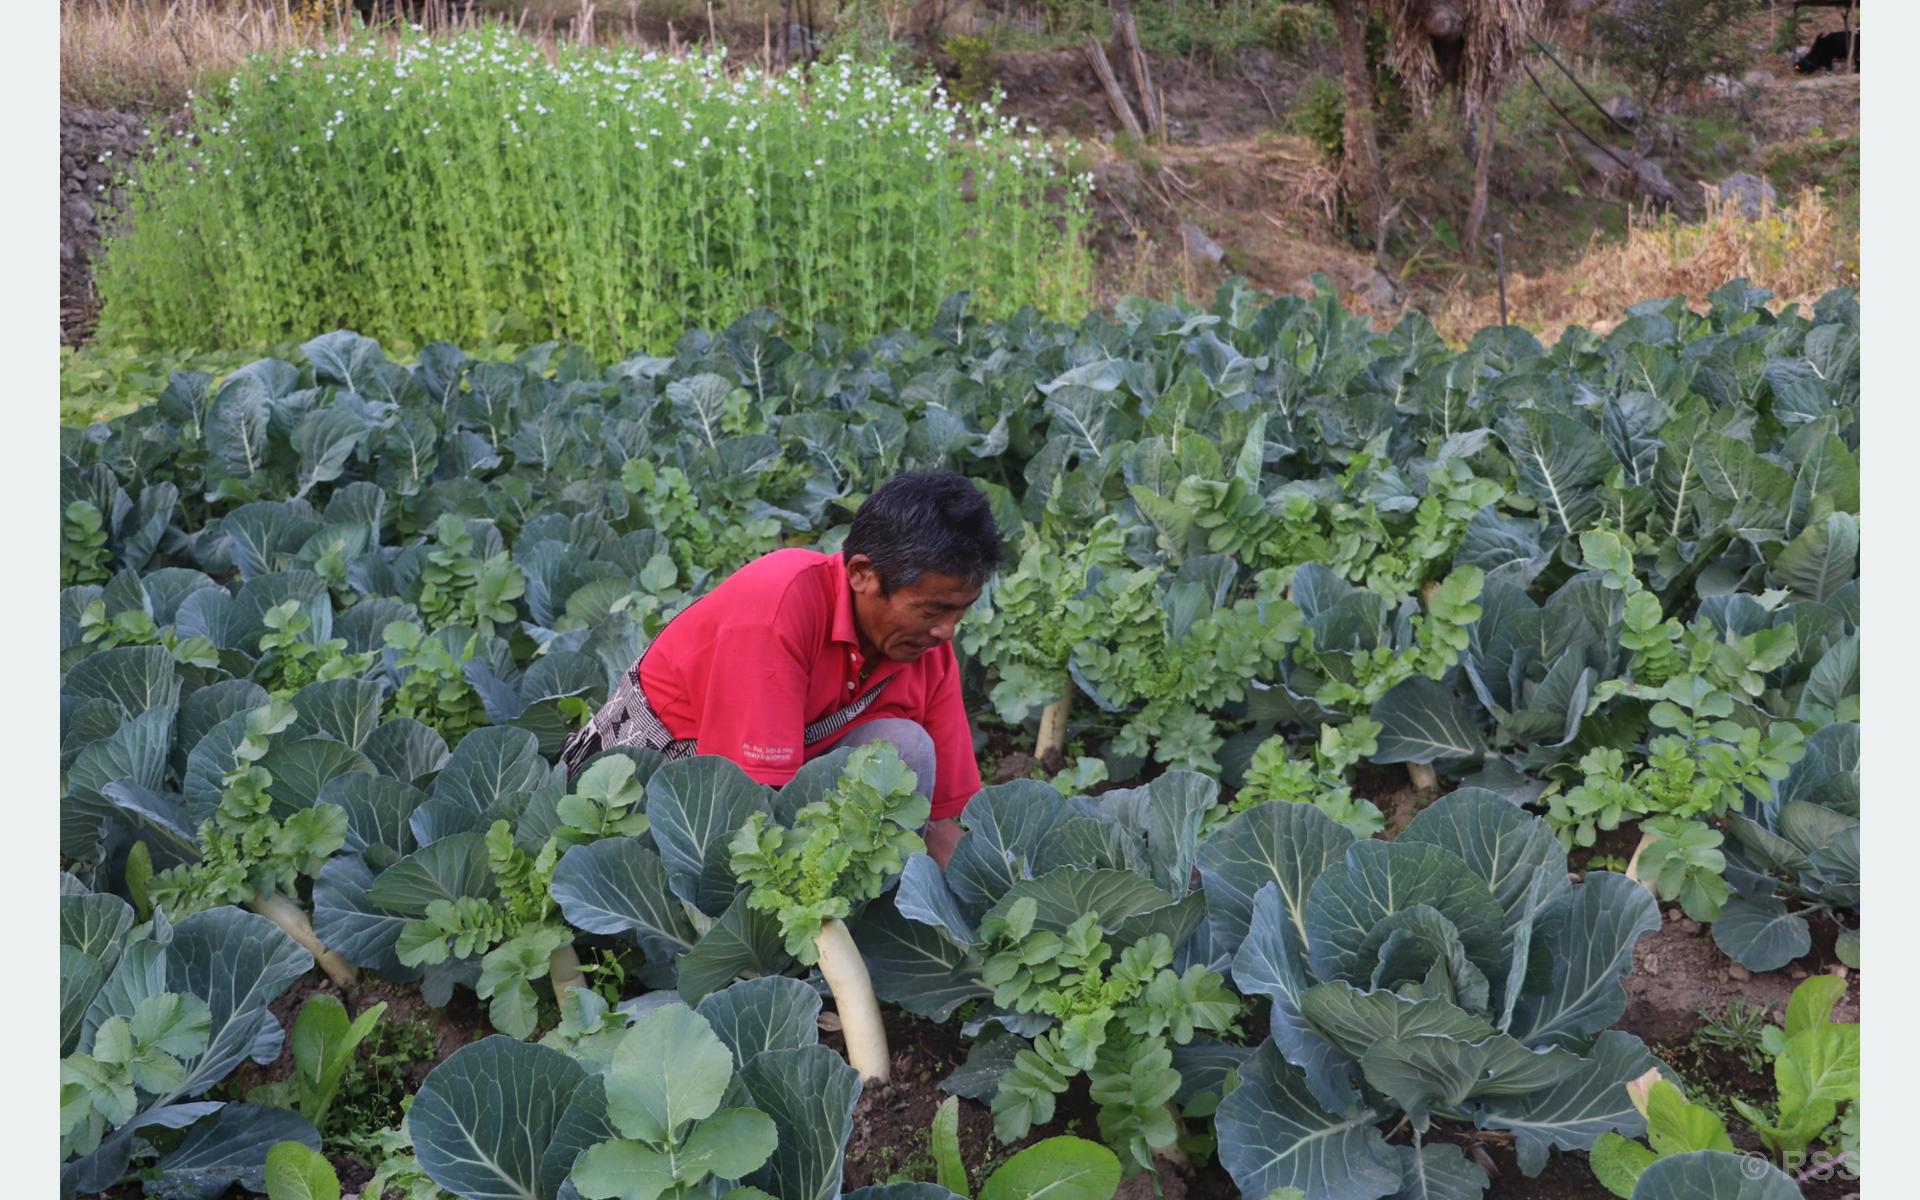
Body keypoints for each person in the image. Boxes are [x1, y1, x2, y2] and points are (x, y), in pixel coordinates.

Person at [560, 471, 1002, 868]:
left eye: (959, 613)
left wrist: (990, 900)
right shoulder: (777, 606)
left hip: (778, 795)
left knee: (907, 747)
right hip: (655, 800)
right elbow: (748, 812)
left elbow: (937, 823)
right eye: (931, 610)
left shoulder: (925, 649)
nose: (946, 631)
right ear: (862, 574)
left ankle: (876, 926)